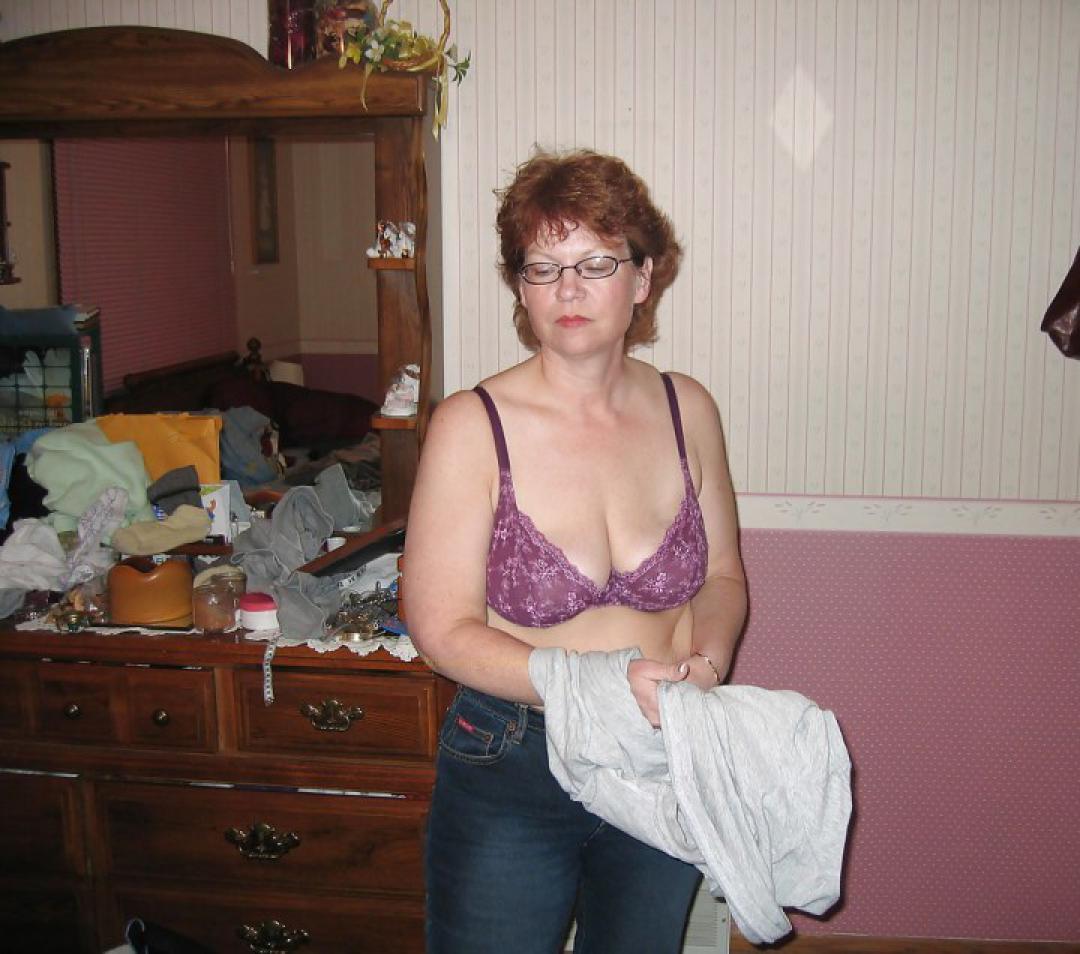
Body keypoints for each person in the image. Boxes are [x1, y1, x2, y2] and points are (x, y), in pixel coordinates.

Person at [403, 149, 748, 954]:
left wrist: (706, 667)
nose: (568, 289)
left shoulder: (688, 408)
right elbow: (441, 629)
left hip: (661, 750)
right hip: (515, 758)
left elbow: (724, 575)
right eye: (543, 267)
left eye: (596, 263)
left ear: (643, 277)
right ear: (519, 287)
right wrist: (592, 687)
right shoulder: (470, 425)